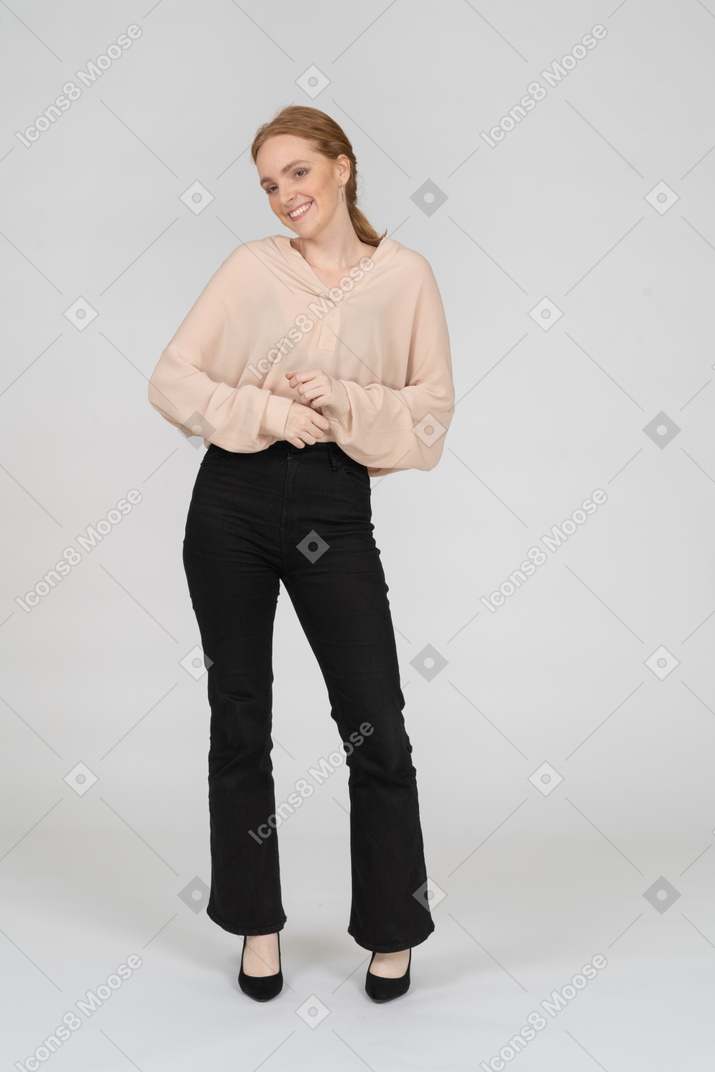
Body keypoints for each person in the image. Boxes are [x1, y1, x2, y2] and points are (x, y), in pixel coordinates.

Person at [147, 105, 455, 1003]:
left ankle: (392, 927)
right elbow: (173, 377)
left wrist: (348, 400)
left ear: (343, 167)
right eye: (269, 184)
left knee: (375, 723)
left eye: (298, 174)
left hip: (330, 508)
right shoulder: (251, 268)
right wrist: (272, 414)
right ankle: (255, 923)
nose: (285, 196)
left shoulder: (405, 279)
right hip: (231, 505)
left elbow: (429, 420)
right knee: (239, 716)